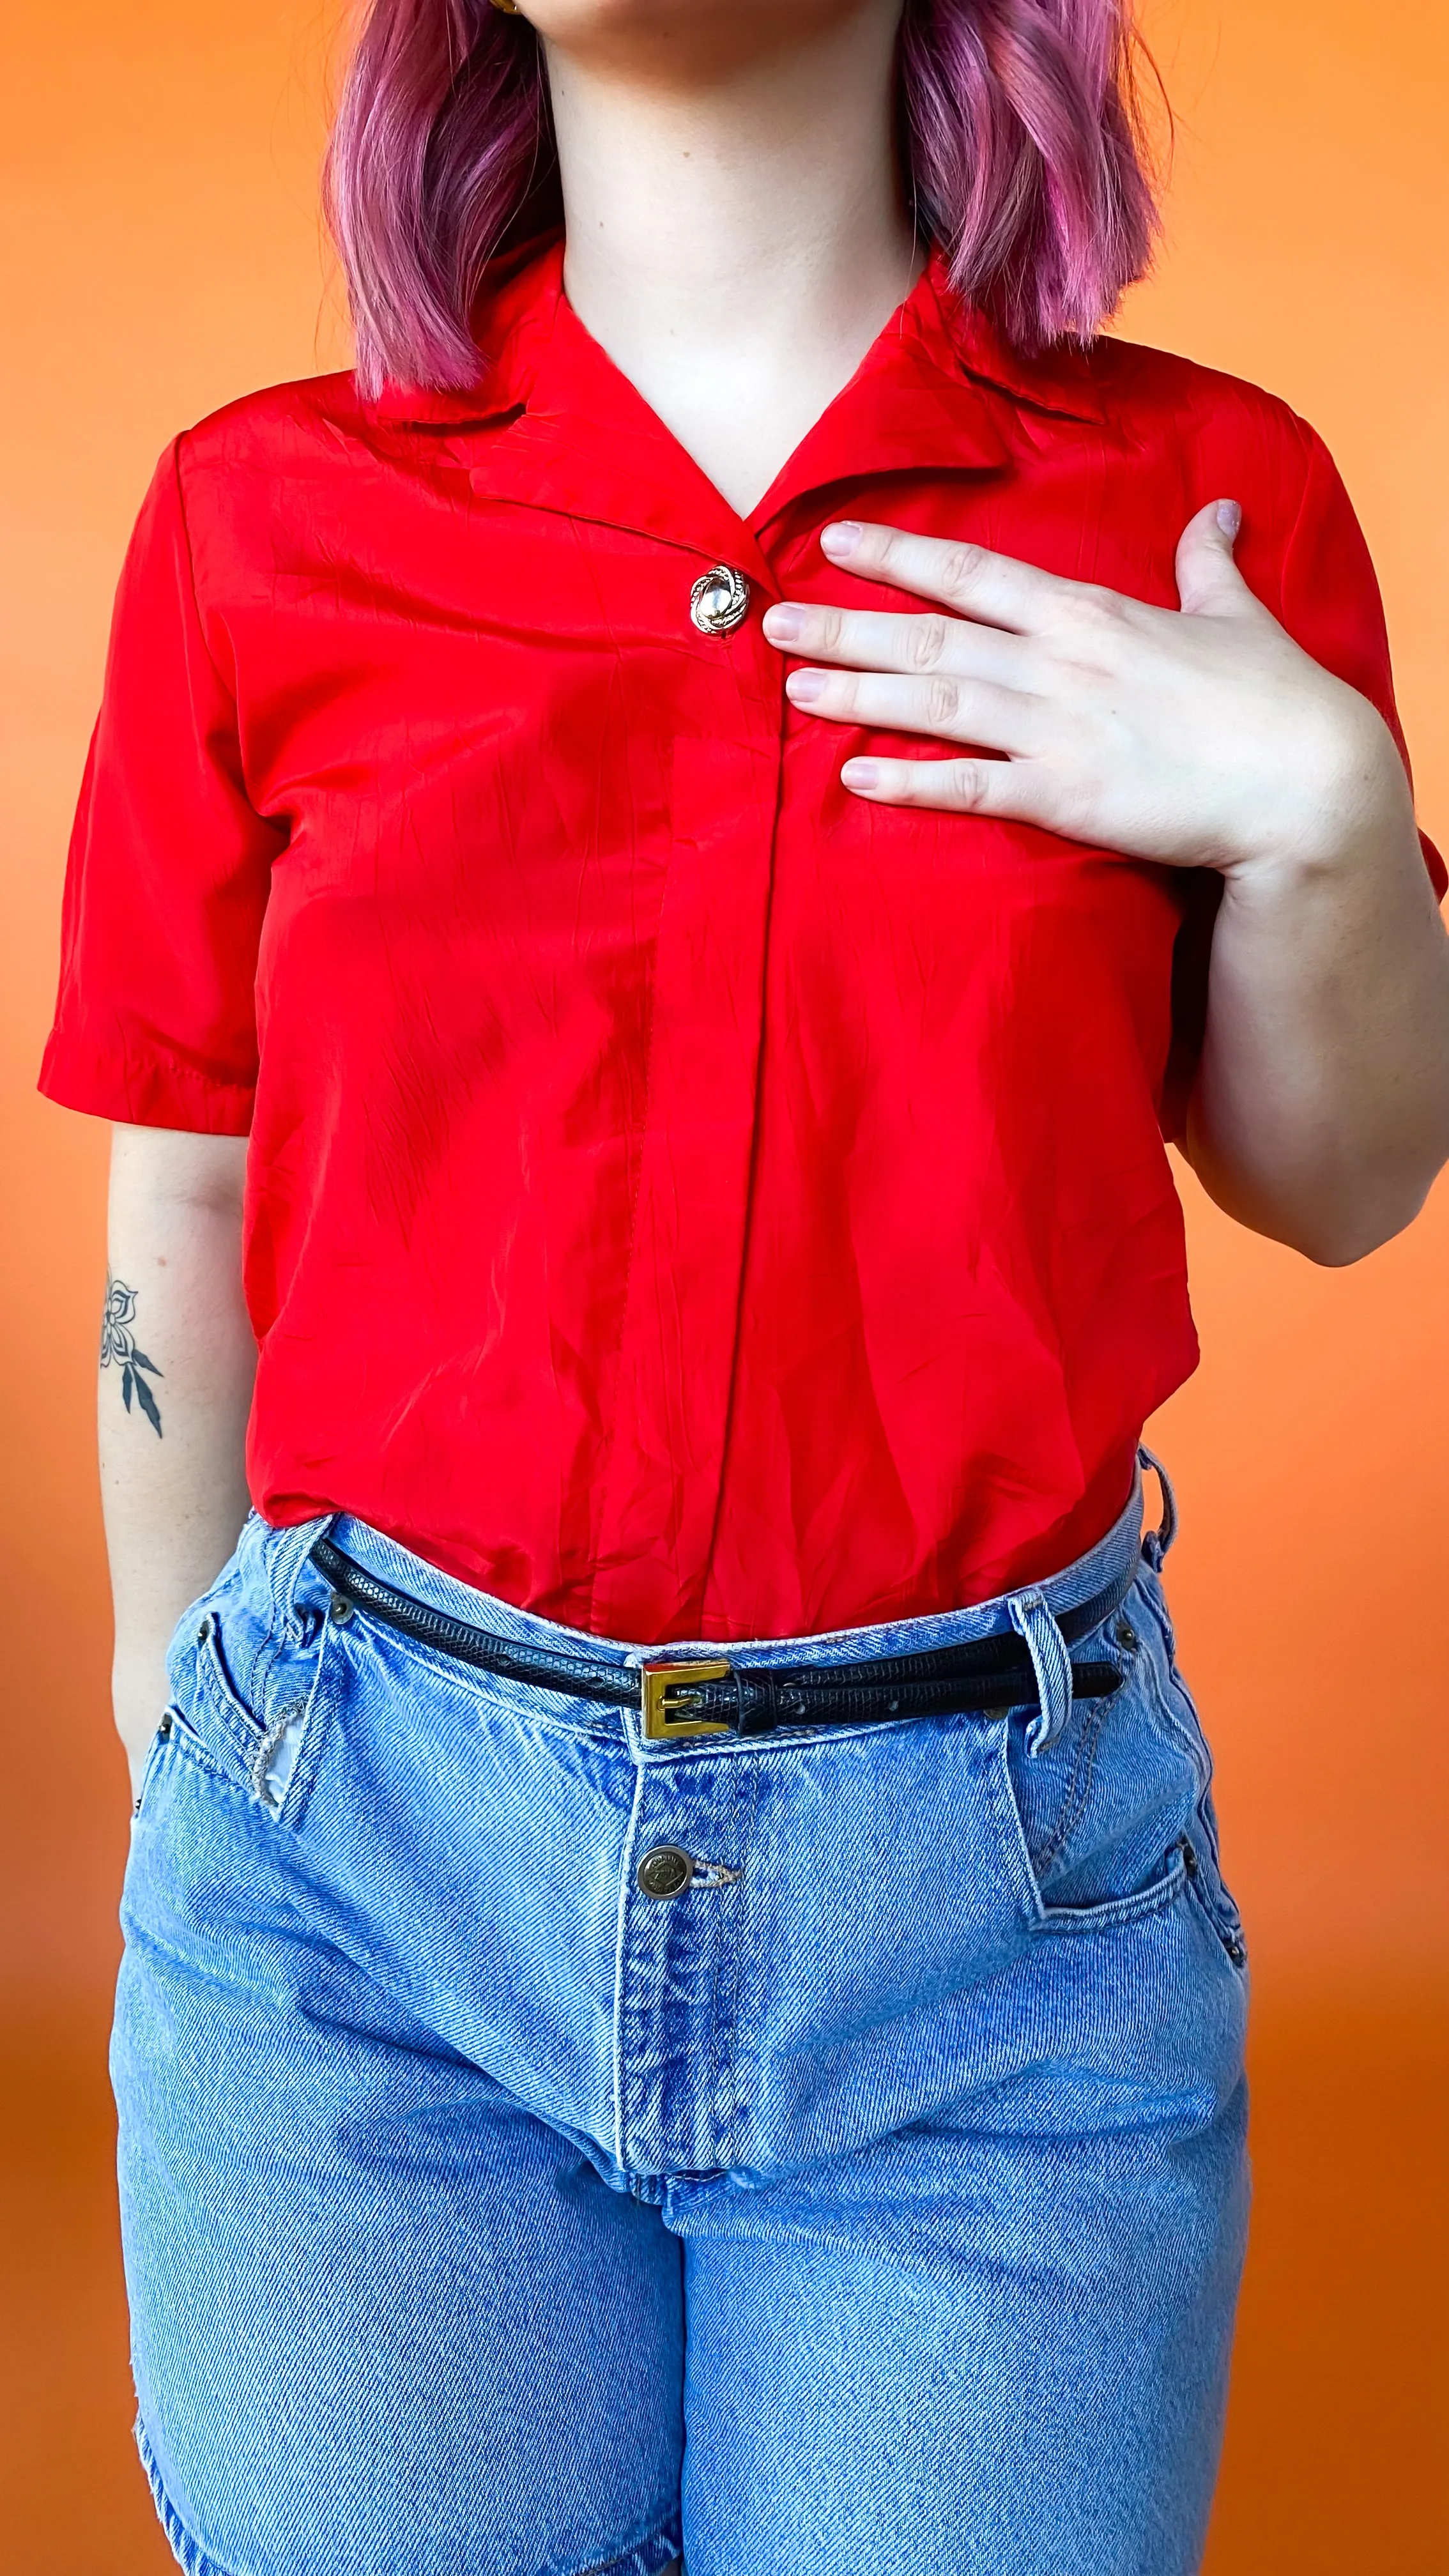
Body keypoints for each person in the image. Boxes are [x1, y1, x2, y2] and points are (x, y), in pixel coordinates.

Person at [40, 3, 1449, 2572]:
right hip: (360, 1907)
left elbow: (1340, 1186)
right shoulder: (256, 519)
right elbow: (190, 1184)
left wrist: (1324, 820)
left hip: (996, 1952)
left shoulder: (1202, 506)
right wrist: (170, 1705)